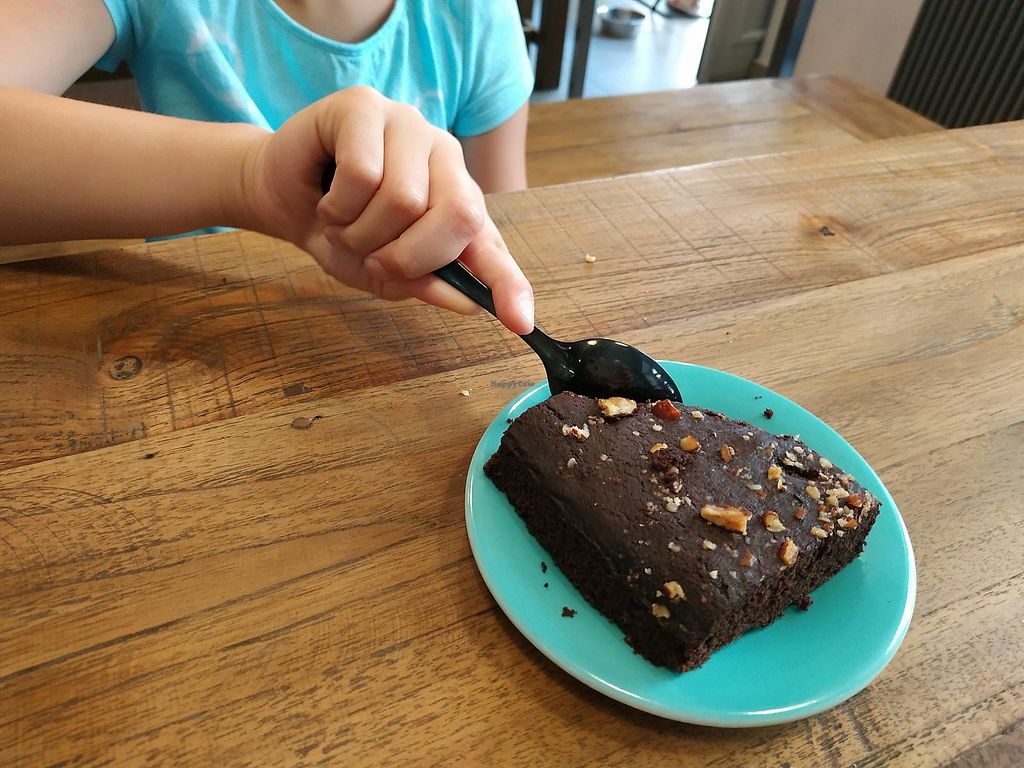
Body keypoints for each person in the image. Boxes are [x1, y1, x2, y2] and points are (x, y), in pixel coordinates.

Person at [0, 0, 536, 334]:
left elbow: (503, 222)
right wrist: (250, 177)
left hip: (404, 338)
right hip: (185, 327)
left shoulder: (476, 14)